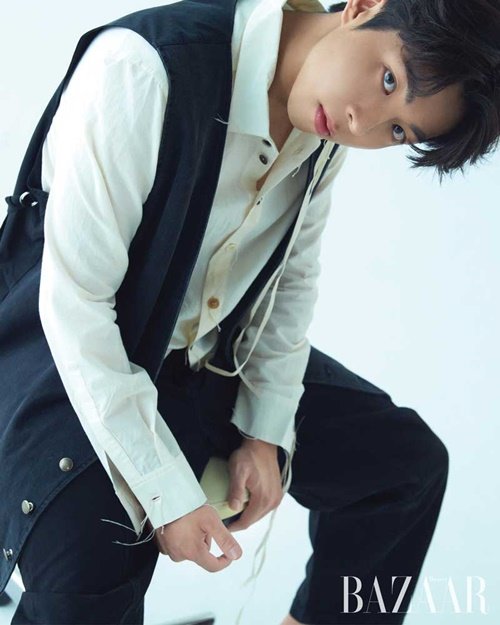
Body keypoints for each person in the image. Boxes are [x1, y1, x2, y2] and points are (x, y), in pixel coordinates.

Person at [0, 0, 498, 624]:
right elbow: (75, 307)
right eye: (389, 79)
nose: (363, 121)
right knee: (87, 584)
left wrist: (267, 432)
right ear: (364, 7)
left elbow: (290, 282)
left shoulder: (325, 130)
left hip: (203, 360)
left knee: (404, 468)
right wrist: (166, 492)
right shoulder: (144, 68)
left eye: (399, 130)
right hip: (67, 371)